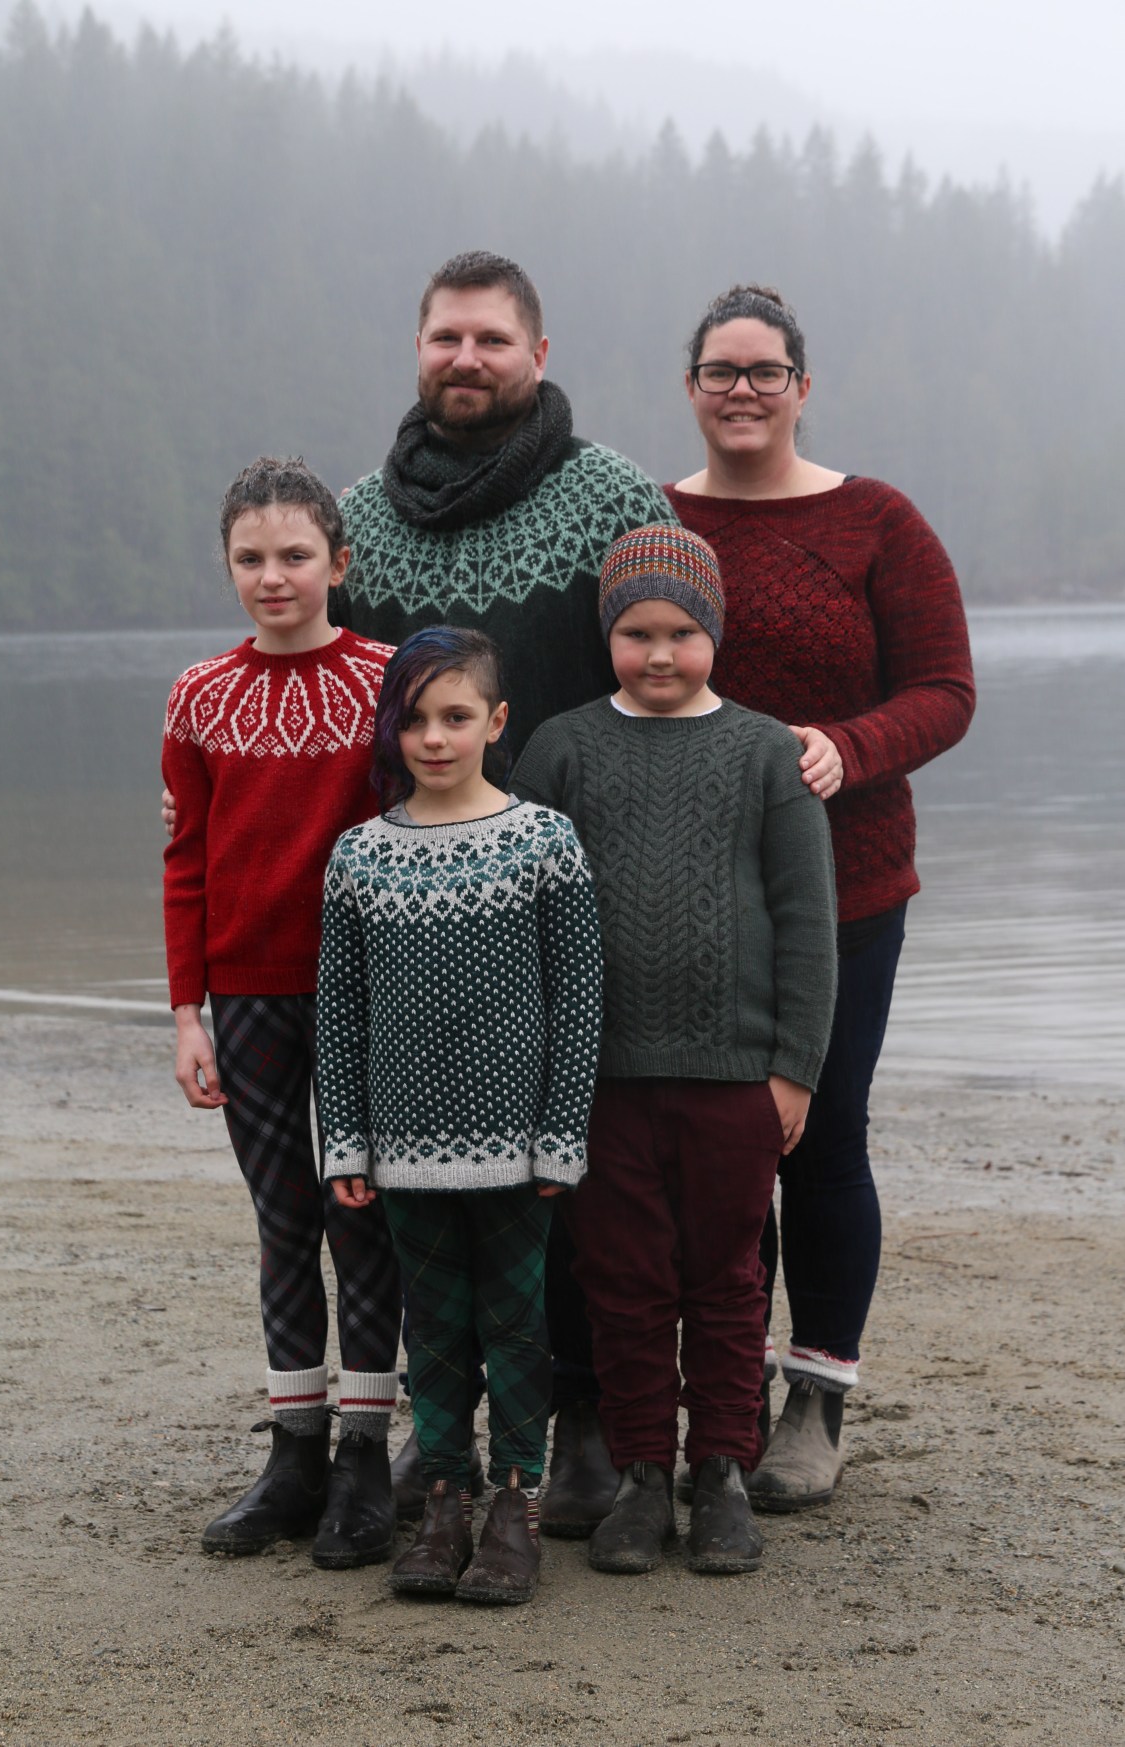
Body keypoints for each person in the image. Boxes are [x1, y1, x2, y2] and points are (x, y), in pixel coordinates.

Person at [331, 249, 674, 1534]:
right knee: (425, 1199)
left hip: (573, 888)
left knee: (562, 1183)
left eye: (489, 338)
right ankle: (441, 1441)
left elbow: (674, 670)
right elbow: (330, 698)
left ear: (538, 353)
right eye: (444, 338)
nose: (464, 359)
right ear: (417, 350)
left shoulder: (612, 497)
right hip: (415, 907)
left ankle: (583, 1424)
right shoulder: (362, 517)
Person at [664, 285, 976, 1510]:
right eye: (720, 369)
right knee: (721, 1148)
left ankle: (818, 1399)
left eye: (765, 370)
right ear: (689, 386)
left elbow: (945, 691)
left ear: (803, 386)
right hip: (687, 894)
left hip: (850, 887)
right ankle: (730, 1388)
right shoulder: (649, 519)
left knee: (822, 1134)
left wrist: (849, 746)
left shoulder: (875, 521)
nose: (741, 389)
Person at [512, 524, 838, 1575]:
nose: (659, 653)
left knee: (728, 1279)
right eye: (637, 632)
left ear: (715, 634)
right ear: (608, 635)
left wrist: (793, 1067)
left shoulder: (765, 752)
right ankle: (643, 1476)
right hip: (601, 1079)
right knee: (622, 1281)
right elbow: (523, 913)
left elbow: (807, 921)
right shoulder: (560, 747)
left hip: (735, 1079)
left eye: (682, 633)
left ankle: (722, 1470)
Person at [316, 627, 602, 1605]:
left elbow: (578, 999)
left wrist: (561, 1135)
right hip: (401, 1153)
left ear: (496, 720)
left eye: (455, 716)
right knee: (432, 1329)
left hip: (518, 1152)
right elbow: (339, 1011)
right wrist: (345, 1141)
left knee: (515, 1324)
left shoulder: (543, 841)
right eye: (414, 719)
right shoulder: (360, 855)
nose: (433, 738)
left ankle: (515, 1507)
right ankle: (444, 1499)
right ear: (391, 728)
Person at [162, 457, 402, 1567]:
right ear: (227, 567)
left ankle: (366, 1454)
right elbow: (185, 859)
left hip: (365, 992)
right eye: (250, 557)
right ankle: (294, 1452)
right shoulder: (198, 694)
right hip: (246, 993)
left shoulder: (389, 681)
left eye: (295, 555)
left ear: (338, 563)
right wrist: (186, 1013)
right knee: (283, 1220)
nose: (273, 575)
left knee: (362, 1214)